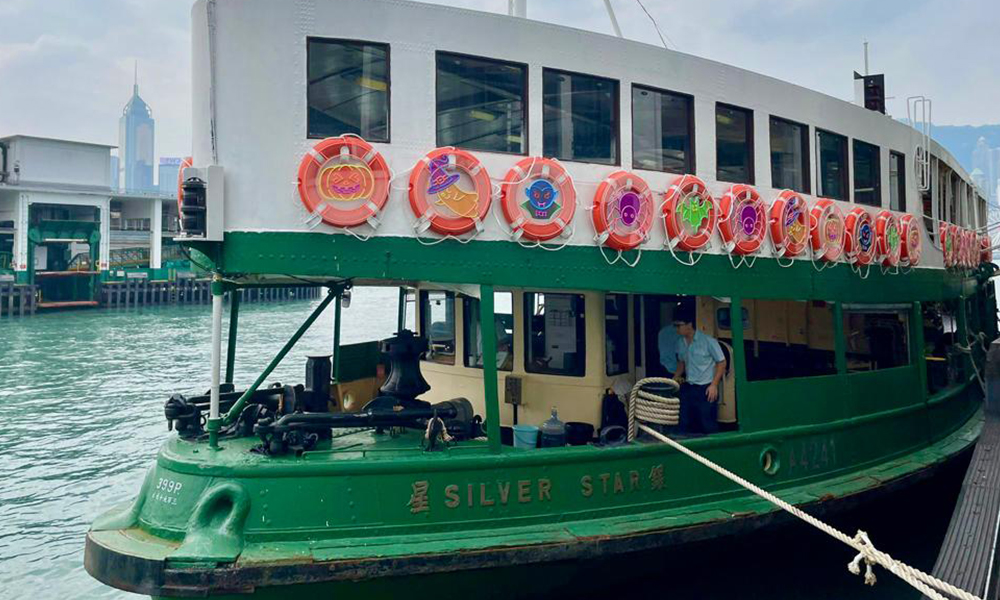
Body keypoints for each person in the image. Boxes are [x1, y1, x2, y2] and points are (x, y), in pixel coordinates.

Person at [672, 305, 726, 434]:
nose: (677, 329)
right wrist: (674, 379)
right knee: (684, 420)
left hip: (706, 388)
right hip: (689, 385)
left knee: (707, 423)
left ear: (689, 325)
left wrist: (714, 385)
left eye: (679, 326)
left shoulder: (709, 341)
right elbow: (681, 362)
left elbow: (722, 362)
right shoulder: (680, 343)